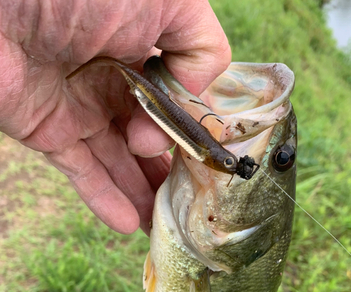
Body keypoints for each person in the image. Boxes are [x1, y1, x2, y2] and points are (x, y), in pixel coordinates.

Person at [0, 0, 231, 235]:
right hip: (143, 89)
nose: (229, 166)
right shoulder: (207, 152)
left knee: (147, 139)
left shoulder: (208, 153)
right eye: (227, 162)